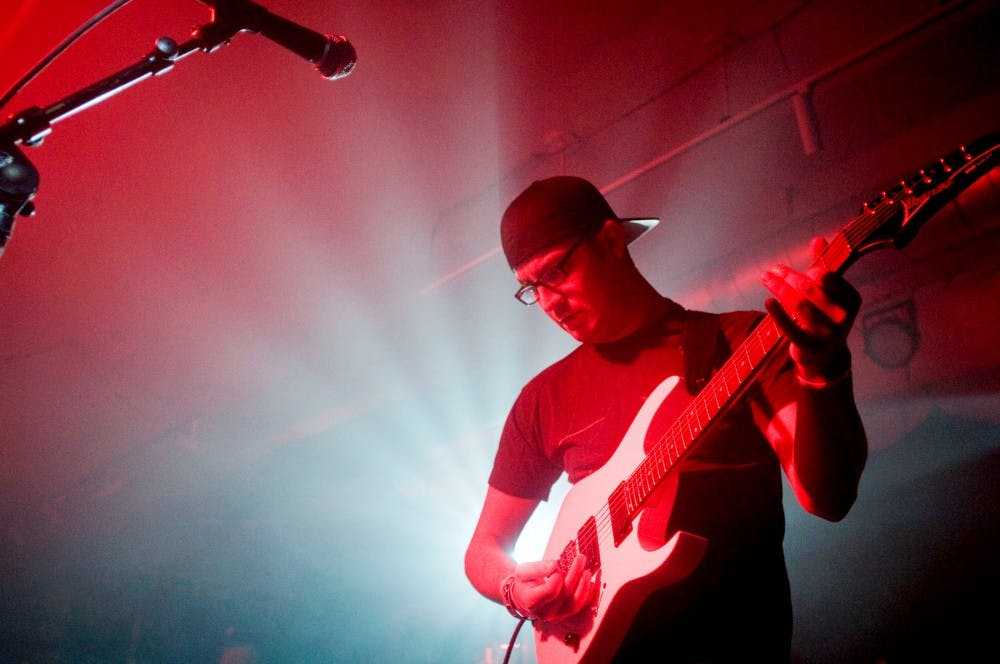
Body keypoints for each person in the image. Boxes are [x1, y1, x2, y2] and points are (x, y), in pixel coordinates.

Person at [464, 176, 868, 662]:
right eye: (531, 287)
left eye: (556, 271)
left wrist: (824, 370)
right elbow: (483, 548)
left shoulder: (737, 342)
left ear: (613, 241)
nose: (548, 301)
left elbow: (828, 496)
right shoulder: (541, 401)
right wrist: (513, 587)